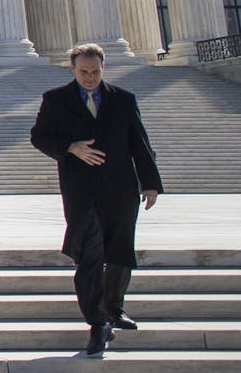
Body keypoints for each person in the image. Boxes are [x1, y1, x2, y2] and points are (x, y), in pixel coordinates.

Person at [30, 43, 162, 357]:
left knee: (118, 251)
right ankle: (97, 320)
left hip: (120, 188)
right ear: (72, 70)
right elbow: (40, 136)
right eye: (83, 72)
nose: (89, 77)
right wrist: (71, 148)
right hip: (81, 190)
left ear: (103, 68)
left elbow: (139, 142)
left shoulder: (124, 100)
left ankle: (114, 308)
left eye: (95, 71)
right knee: (89, 254)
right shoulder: (56, 100)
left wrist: (151, 182)